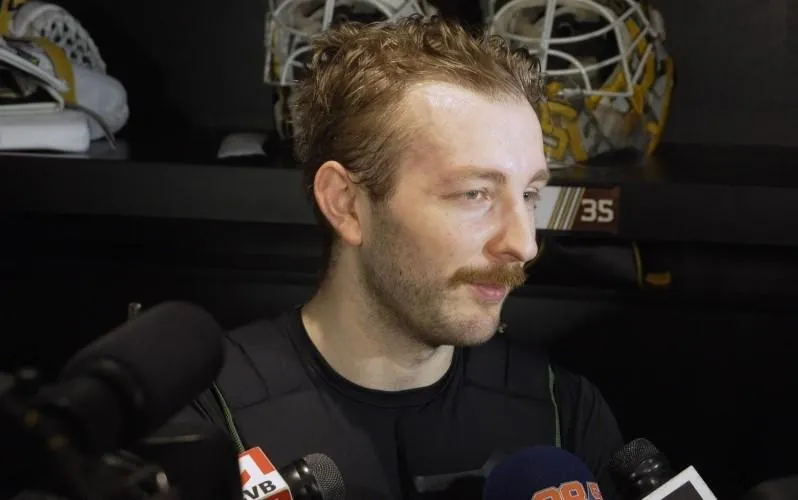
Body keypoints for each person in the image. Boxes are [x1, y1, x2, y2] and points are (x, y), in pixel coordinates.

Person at [187, 14, 624, 499]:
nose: (523, 244)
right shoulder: (209, 419)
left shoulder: (563, 412)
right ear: (346, 204)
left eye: (529, 195)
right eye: (474, 194)